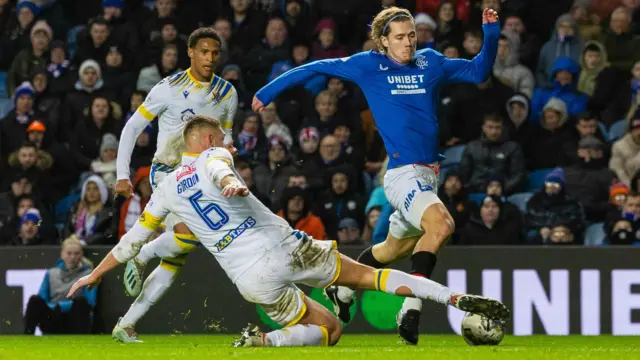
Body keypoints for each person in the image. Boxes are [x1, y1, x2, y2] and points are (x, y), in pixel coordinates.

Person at [67, 116, 510, 346]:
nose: (230, 141)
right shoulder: (212, 158)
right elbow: (222, 169)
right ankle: (450, 298)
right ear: (202, 141)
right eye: (223, 135)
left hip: (249, 280)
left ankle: (267, 340)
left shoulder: (163, 191)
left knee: (331, 331)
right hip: (283, 247)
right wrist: (230, 181)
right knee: (367, 276)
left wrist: (94, 274)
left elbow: (130, 244)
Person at [252, 6, 500, 345]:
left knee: (390, 249)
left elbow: (478, 71)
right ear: (383, 41)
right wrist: (267, 93)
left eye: (411, 35)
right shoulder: (368, 65)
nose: (408, 43)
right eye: (399, 37)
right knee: (441, 225)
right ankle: (411, 308)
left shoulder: (430, 62)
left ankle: (343, 290)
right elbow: (317, 66)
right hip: (401, 175)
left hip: (429, 175)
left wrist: (491, 32)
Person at [112, 27, 238, 338]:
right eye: (204, 52)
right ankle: (141, 255)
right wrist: (122, 174)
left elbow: (227, 138)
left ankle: (126, 325)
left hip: (202, 179)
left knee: (176, 255)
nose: (210, 58)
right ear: (191, 53)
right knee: (190, 235)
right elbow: (131, 128)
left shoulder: (228, 94)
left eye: (215, 53)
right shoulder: (168, 88)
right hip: (168, 172)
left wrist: (229, 154)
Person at [24, 236, 96, 334]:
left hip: (73, 317)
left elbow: (90, 302)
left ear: (81, 255)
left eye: (76, 253)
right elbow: (42, 297)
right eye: (69, 253)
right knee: (34, 300)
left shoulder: (89, 274)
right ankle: (27, 338)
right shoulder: (51, 273)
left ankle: (80, 339)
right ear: (62, 254)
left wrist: (62, 306)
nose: (73, 257)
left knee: (81, 302)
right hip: (52, 317)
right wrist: (55, 308)